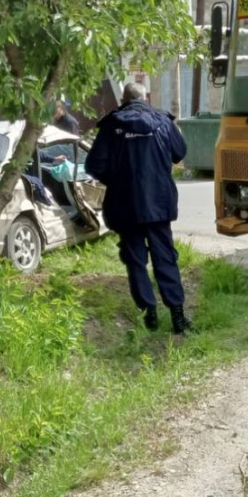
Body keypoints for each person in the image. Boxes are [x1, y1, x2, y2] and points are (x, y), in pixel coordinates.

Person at [85, 81, 191, 334]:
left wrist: (118, 179)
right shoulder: (164, 121)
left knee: (134, 259)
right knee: (165, 256)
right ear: (145, 98)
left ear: (123, 100)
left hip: (125, 204)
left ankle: (149, 313)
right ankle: (178, 317)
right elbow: (180, 152)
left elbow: (94, 166)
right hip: (158, 203)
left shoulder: (111, 126)